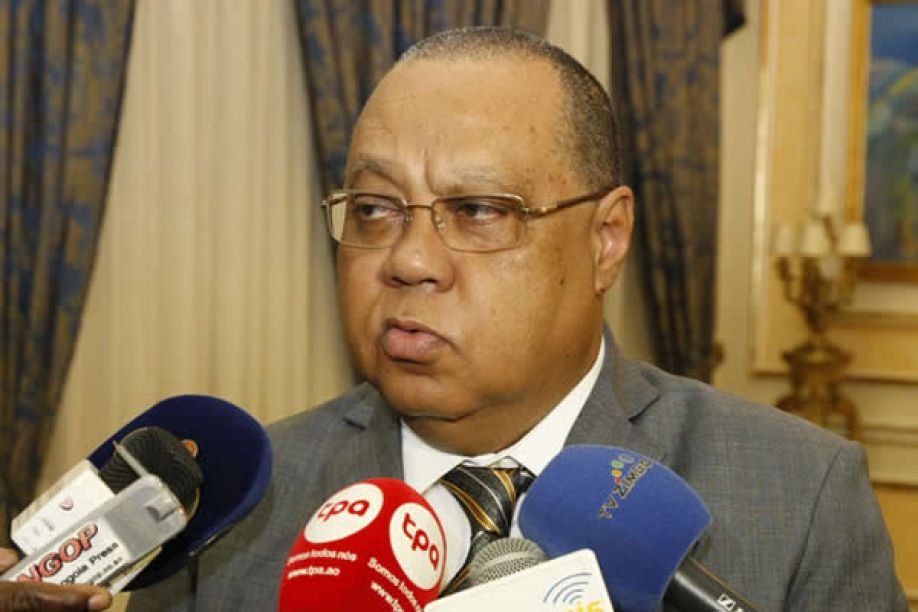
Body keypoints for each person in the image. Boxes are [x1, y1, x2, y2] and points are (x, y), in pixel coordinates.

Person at [3, 26, 907, 610]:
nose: (407, 260)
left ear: (606, 240)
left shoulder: (798, 498)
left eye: (476, 211)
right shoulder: (230, 516)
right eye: (373, 208)